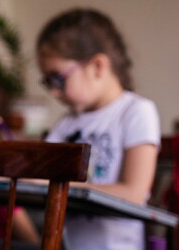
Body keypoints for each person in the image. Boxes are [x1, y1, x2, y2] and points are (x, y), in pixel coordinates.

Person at [38, 8, 160, 250]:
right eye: (48, 82)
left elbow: (134, 193)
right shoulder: (66, 123)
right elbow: (40, 171)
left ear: (97, 66)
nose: (54, 92)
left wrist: (57, 185)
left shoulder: (136, 112)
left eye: (58, 79)